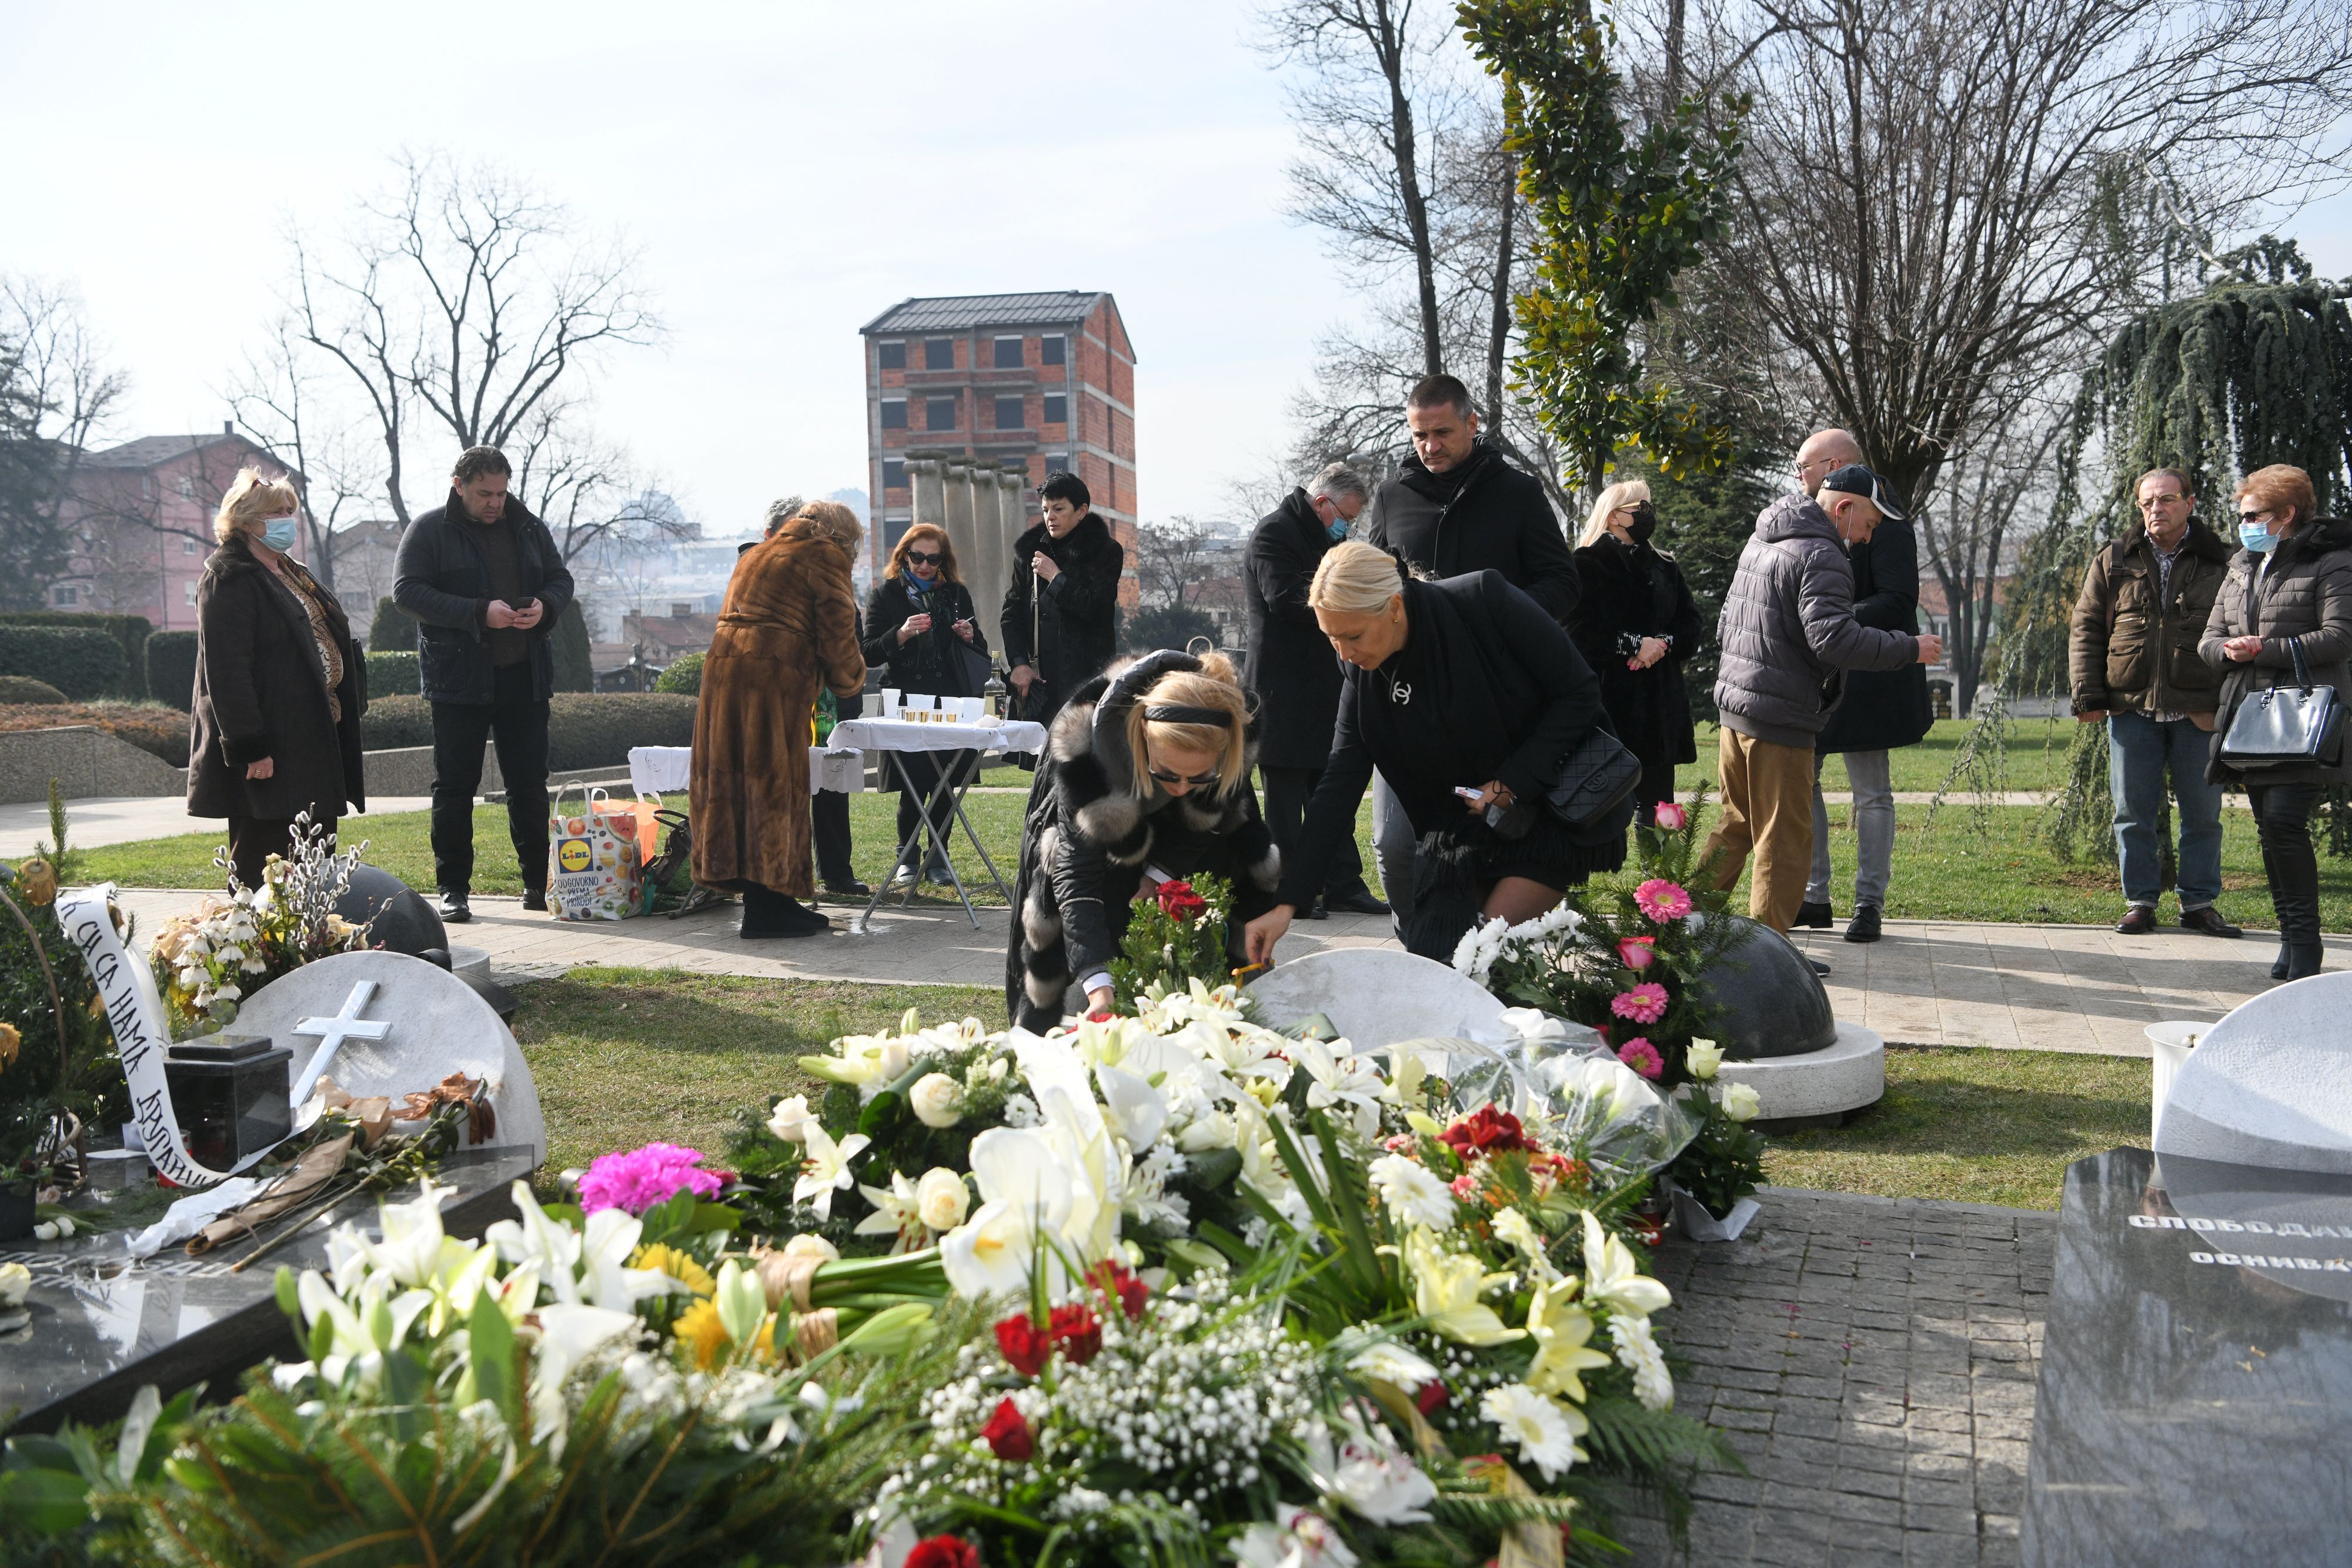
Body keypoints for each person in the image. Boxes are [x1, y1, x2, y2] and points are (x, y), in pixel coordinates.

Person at [1241, 543, 1622, 968]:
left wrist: (1510, 782)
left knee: (1478, 962)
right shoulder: (1360, 670)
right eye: (1331, 638)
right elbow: (1339, 782)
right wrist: (1287, 902)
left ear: (1395, 608)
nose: (1344, 653)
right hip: (1459, 832)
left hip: (1547, 811)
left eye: (1353, 635)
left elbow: (1579, 693)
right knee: (1432, 963)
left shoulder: (1484, 599)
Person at [1362, 373, 1580, 937]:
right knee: (1393, 843)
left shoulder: (1518, 493)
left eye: (1441, 432)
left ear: (1471, 424)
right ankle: (1423, 954)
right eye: (1418, 435)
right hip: (1407, 698)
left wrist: (1504, 618)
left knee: (1488, 840)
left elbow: (1562, 581)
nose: (1430, 446)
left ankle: (1478, 960)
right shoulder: (1391, 498)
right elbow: (1369, 589)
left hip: (1495, 701)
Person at [1702, 466, 1940, 941]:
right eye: (1871, 524)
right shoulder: (1823, 553)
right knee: (1783, 842)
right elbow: (1833, 640)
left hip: (1737, 710)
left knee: (1736, 827)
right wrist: (1908, 648)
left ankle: (1680, 930)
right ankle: (1770, 962)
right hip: (1781, 718)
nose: (1870, 538)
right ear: (1845, 508)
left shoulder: (1764, 539)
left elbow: (1726, 621)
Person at [1007, 649, 1281, 1030]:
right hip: (1103, 853)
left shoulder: (1226, 733)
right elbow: (1077, 874)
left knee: (1204, 1001)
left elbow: (1208, 820)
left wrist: (1161, 873)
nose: (1183, 787)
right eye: (1169, 774)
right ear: (1141, 737)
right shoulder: (1089, 764)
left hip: (1206, 852)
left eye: (1199, 776)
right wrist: (1099, 984)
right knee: (1091, 989)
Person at [392, 446, 575, 922]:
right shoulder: (430, 529)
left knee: (529, 784)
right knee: (454, 787)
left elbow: (561, 578)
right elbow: (407, 592)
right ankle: (453, 889)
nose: (495, 502)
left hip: (524, 676)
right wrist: (479, 611)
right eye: (484, 494)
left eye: (501, 492)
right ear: (459, 485)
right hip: (459, 680)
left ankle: (538, 883)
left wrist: (545, 606)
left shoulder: (529, 526)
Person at [2069, 467, 2239, 937]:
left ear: (2189, 502)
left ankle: (2199, 903)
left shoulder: (2222, 561)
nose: (2156, 510)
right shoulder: (2115, 559)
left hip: (2199, 709)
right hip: (2131, 708)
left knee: (2202, 815)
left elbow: (2242, 625)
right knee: (2131, 812)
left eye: (2166, 500)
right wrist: (2088, 693)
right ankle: (2140, 901)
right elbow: (2086, 627)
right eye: (2147, 503)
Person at [2199, 464, 2351, 982]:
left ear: (2287, 515)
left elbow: (2340, 637)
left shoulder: (2330, 562)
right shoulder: (2242, 564)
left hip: (2304, 721)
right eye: (2241, 515)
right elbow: (2209, 638)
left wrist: (2268, 649)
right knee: (2270, 831)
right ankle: (2290, 941)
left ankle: (2306, 946)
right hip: (2250, 718)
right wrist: (2227, 649)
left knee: (2285, 824)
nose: (2244, 524)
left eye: (2253, 514)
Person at [692, 499, 867, 938]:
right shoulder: (824, 555)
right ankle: (768, 909)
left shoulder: (756, 553)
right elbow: (838, 637)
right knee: (775, 787)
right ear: (843, 539)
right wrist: (850, 679)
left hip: (723, 680)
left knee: (738, 789)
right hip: (772, 681)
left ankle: (775, 898)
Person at [187, 467, 367, 888]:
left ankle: (315, 943)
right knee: (264, 859)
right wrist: (252, 748)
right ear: (247, 520)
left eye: (291, 511)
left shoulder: (291, 571)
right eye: (278, 512)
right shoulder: (227, 577)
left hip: (313, 739)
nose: (289, 519)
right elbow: (227, 671)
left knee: (314, 856)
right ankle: (253, 946)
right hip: (271, 750)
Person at [1788, 429, 1935, 944]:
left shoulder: (1887, 521)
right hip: (1816, 678)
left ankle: (1868, 903)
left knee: (1871, 794)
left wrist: (1825, 621)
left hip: (1868, 680)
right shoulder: (1806, 522)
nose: (1797, 477)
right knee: (1804, 784)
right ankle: (1815, 894)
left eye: (1803, 467)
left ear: (1831, 466)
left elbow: (1897, 601)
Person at [1244, 460, 1390, 920]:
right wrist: (1347, 608)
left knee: (1331, 793)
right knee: (1286, 802)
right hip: (1280, 690)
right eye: (1345, 515)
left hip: (1323, 686)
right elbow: (1283, 597)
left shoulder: (1328, 537)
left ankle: (1344, 884)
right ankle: (1292, 892)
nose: (1348, 526)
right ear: (1322, 502)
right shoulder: (1274, 532)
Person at [744, 506, 868, 898]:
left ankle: (833, 872)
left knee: (832, 786)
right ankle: (781, 888)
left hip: (828, 704)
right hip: (786, 701)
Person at [1568, 480, 1705, 827]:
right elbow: (1575, 631)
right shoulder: (1586, 563)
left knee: (1661, 809)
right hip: (1610, 702)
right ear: (1614, 516)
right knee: (1599, 804)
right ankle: (1594, 877)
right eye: (1640, 509)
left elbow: (1691, 626)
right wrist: (1632, 644)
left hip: (1660, 706)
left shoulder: (1664, 565)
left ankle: (1660, 881)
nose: (1649, 515)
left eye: (1650, 507)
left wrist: (1660, 645)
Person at [864, 522, 991, 887]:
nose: (923, 565)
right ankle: (907, 854)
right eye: (916, 557)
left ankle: (938, 858)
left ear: (942, 560)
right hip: (905, 700)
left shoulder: (955, 594)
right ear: (903, 555)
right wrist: (902, 633)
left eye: (932, 559)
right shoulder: (886, 595)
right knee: (912, 783)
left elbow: (977, 647)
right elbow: (869, 652)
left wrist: (970, 635)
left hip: (951, 699)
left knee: (946, 780)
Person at [1001, 469, 1122, 728]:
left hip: (1086, 679)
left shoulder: (1106, 552)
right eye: (1045, 510)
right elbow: (1010, 614)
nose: (1050, 517)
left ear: (1081, 511)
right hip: (1040, 678)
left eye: (1058, 509)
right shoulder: (1029, 552)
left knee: (1081, 759)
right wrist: (1019, 664)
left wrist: (1056, 577)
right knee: (1039, 761)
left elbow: (1096, 610)